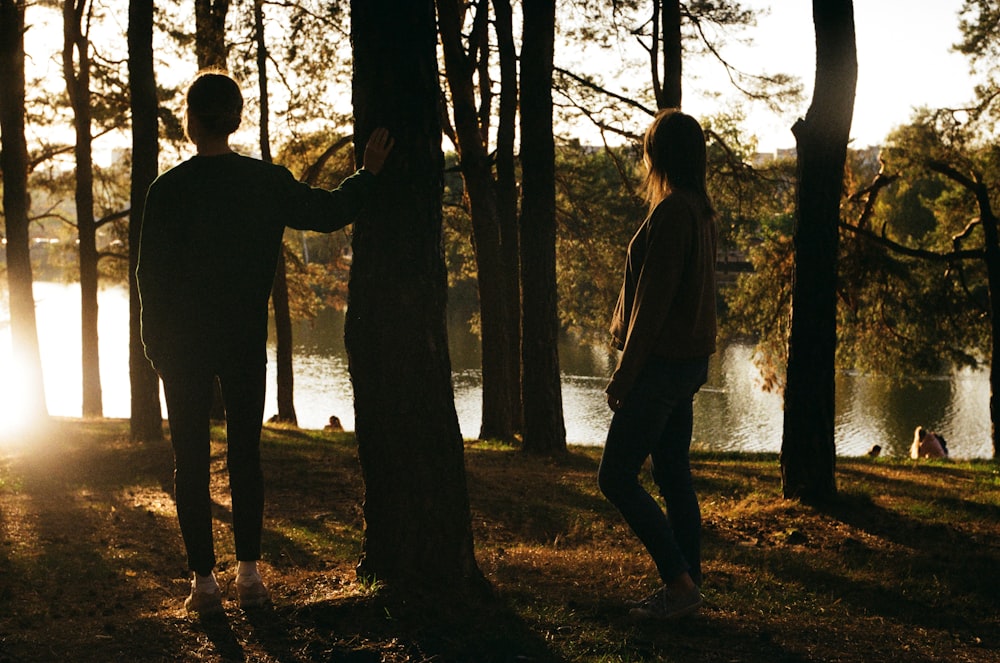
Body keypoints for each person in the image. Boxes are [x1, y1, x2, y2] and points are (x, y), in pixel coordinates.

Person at [136, 71, 393, 616]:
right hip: (242, 342)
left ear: (190, 120)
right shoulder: (264, 182)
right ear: (234, 119)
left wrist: (156, 347)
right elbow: (327, 213)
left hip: (182, 347)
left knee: (191, 462)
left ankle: (204, 586)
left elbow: (149, 281)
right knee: (246, 457)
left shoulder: (168, 190)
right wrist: (366, 175)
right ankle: (249, 578)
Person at [597, 109, 717, 621]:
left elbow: (654, 302)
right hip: (686, 364)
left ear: (660, 154)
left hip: (663, 366)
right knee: (672, 475)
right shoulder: (698, 209)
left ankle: (680, 584)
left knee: (616, 476)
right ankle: (686, 590)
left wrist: (626, 373)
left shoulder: (673, 213)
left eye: (649, 146)